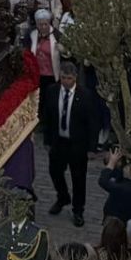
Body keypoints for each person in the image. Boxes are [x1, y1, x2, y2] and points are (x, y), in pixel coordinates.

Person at [43, 62, 99, 227]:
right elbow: (47, 116)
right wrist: (47, 139)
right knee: (55, 171)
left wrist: (92, 147)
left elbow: (93, 122)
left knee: (79, 179)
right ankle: (63, 197)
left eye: (69, 78)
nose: (66, 81)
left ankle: (78, 210)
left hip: (77, 144)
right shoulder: (52, 91)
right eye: (63, 78)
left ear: (75, 78)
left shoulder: (86, 95)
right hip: (58, 141)